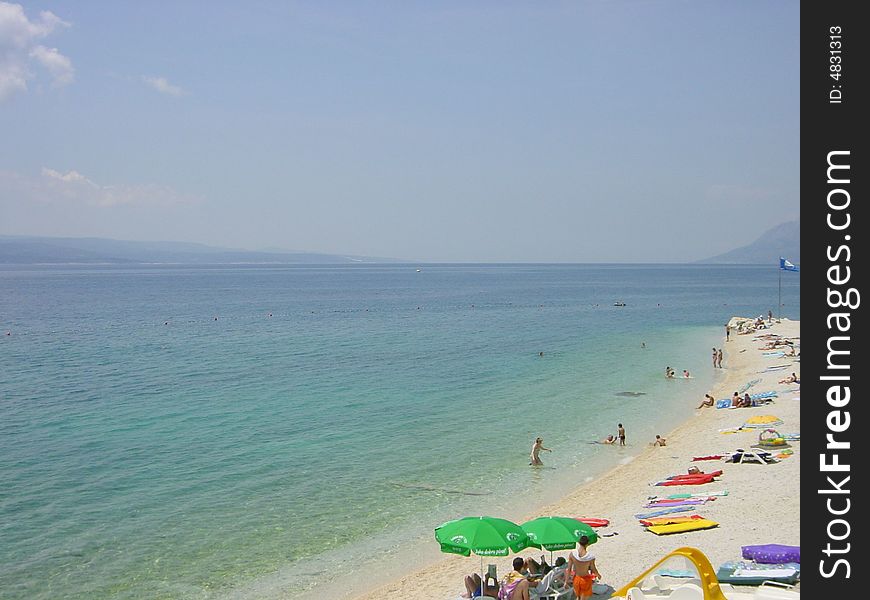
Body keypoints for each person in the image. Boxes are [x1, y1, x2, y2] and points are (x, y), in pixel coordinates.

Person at [565, 535, 600, 600]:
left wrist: (566, 582)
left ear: (579, 542)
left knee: (578, 597)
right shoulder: (590, 557)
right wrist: (598, 575)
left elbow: (569, 569)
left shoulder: (572, 554)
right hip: (585, 580)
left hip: (576, 579)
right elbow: (593, 569)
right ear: (587, 544)